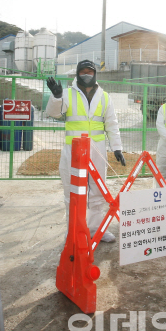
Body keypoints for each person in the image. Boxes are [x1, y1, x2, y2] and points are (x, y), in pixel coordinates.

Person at [45, 60, 125, 243]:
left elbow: (112, 124)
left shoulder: (105, 97)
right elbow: (53, 113)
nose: (86, 74)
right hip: (73, 150)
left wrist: (117, 147)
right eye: (83, 72)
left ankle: (96, 229)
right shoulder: (67, 93)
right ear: (77, 73)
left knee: (98, 191)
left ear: (95, 73)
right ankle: (73, 231)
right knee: (72, 191)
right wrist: (56, 96)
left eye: (90, 71)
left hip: (97, 150)